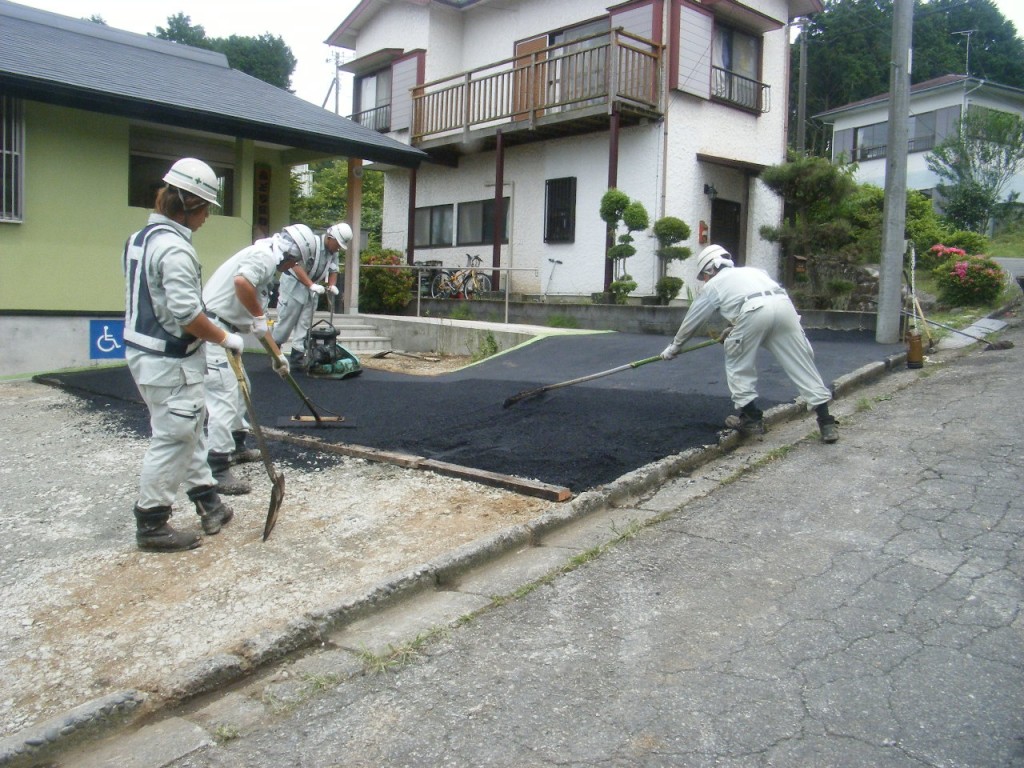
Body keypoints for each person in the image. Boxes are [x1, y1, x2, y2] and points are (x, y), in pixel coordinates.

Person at [122, 157, 242, 552]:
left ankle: (209, 502)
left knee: (187, 429)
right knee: (174, 437)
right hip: (169, 360)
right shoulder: (175, 250)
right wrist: (225, 338)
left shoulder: (141, 238)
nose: (207, 216)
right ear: (188, 204)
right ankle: (152, 523)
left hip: (145, 352)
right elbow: (188, 315)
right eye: (206, 207)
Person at [660, 244, 839, 444]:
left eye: (704, 276)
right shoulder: (755, 272)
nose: (705, 281)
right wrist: (734, 327)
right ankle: (827, 422)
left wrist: (674, 347)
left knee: (737, 359)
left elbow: (693, 320)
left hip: (753, 312)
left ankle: (751, 418)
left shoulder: (714, 284)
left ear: (710, 269)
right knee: (801, 363)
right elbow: (758, 300)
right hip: (784, 308)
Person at [202, 224, 318, 494]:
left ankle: (236, 445)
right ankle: (216, 468)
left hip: (228, 333)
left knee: (243, 390)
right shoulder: (264, 256)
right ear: (290, 253)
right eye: (295, 260)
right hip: (215, 331)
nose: (293, 265)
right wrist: (256, 316)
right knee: (224, 397)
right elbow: (242, 283)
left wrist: (278, 357)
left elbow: (259, 325)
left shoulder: (268, 258)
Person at [272, 222, 353, 367]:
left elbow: (334, 269)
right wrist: (311, 284)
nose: (338, 248)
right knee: (287, 320)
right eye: (338, 244)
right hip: (293, 285)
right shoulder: (311, 244)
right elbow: (294, 265)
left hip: (312, 288)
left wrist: (332, 285)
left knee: (305, 323)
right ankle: (274, 353)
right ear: (330, 237)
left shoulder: (334, 252)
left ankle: (297, 358)